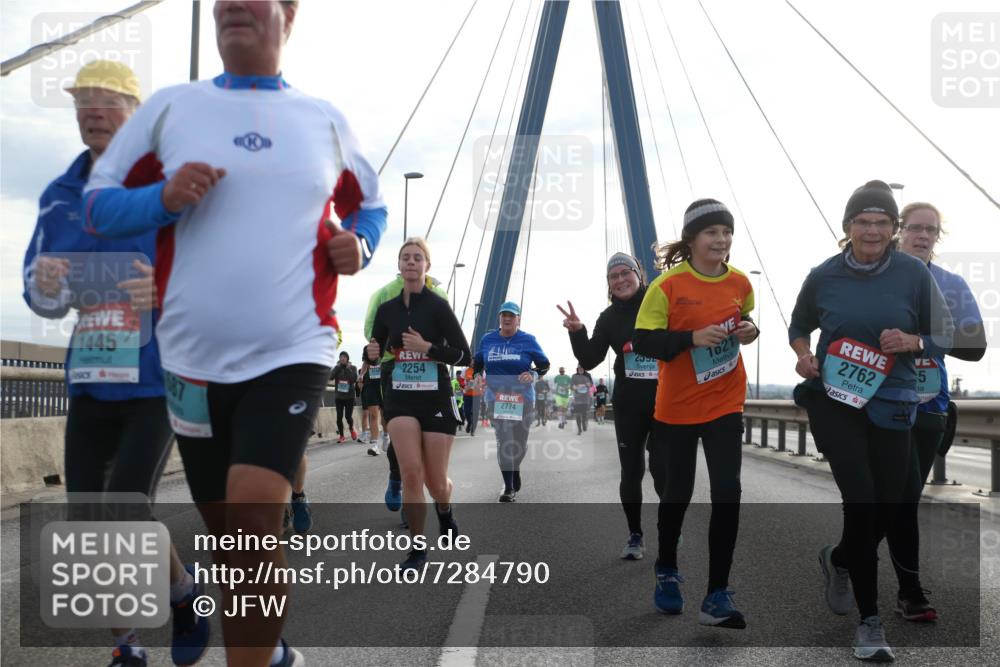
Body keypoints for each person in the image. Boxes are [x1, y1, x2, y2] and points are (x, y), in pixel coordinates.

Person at [83, 3, 387, 664]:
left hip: (293, 349)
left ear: (289, 15)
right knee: (228, 537)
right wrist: (161, 197)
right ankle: (273, 653)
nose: (232, 5)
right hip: (190, 364)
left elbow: (371, 201)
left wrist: (359, 243)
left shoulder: (323, 120)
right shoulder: (170, 110)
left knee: (251, 520)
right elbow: (99, 205)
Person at [22, 59, 208, 667]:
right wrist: (45, 284)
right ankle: (164, 610)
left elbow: (214, 276)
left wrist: (166, 285)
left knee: (125, 507)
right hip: (90, 377)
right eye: (82, 104)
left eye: (106, 102)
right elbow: (41, 298)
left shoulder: (168, 191)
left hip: (157, 375)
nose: (92, 113)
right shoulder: (58, 197)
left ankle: (155, 624)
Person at [789, 181, 952, 661]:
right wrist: (803, 356)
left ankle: (839, 559)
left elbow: (946, 333)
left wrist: (915, 342)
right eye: (863, 221)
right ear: (847, 227)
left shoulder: (913, 274)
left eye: (883, 222)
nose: (873, 230)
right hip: (836, 401)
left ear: (894, 229)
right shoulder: (823, 274)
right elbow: (800, 326)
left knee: (890, 505)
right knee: (861, 504)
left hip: (894, 404)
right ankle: (870, 623)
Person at [634, 199, 759, 629]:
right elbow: (644, 341)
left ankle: (716, 594)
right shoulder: (667, 286)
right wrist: (689, 338)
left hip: (726, 402)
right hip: (677, 408)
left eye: (726, 231)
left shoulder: (741, 282)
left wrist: (750, 330)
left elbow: (746, 320)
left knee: (729, 491)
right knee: (677, 494)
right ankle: (666, 569)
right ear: (691, 240)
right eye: (712, 233)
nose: (721, 240)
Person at [885, 202, 986, 622]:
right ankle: (896, 584)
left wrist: (921, 342)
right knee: (882, 498)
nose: (923, 236)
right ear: (898, 231)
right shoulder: (877, 277)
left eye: (931, 230)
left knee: (906, 498)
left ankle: (897, 586)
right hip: (879, 401)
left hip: (930, 404)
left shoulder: (952, 283)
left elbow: (976, 347)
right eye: (915, 228)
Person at [367, 238, 471, 569]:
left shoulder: (438, 307)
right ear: (399, 266)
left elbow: (463, 355)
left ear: (426, 266)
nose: (411, 263)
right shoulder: (387, 310)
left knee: (435, 482)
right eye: (405, 258)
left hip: (436, 397)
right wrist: (370, 354)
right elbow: (375, 350)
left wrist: (428, 348)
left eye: (417, 258)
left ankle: (445, 510)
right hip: (400, 397)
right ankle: (417, 550)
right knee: (411, 473)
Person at [559, 252, 663, 560]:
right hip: (630, 403)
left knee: (663, 470)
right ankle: (635, 535)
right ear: (608, 284)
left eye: (624, 273)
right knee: (631, 471)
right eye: (613, 277)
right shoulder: (608, 318)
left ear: (638, 274)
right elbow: (591, 358)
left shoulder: (661, 302)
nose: (620, 280)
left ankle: (670, 527)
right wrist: (577, 332)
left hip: (666, 401)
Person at [364, 269, 450, 511]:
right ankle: (396, 480)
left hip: (431, 371)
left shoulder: (439, 293)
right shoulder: (383, 294)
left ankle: (408, 493)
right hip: (396, 369)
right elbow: (371, 332)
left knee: (425, 436)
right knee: (402, 432)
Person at [474, 301, 550, 502]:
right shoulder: (487, 339)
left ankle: (514, 468)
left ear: (518, 319)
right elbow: (477, 364)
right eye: (503, 315)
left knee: (520, 443)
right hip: (496, 398)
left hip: (523, 398)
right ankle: (508, 488)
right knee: (505, 440)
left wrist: (532, 373)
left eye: (511, 315)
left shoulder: (528, 340)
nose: (507, 319)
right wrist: (477, 376)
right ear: (499, 318)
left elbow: (544, 365)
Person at [358, 344, 384, 456]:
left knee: (385, 415)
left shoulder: (384, 350)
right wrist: (361, 375)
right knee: (373, 415)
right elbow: (365, 363)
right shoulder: (367, 351)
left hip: (383, 385)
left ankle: (386, 436)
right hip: (371, 386)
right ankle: (375, 445)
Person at [331, 351, 358, 443]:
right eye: (341, 357)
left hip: (349, 397)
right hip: (339, 397)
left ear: (347, 359)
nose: (342, 358)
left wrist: (348, 369)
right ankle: (342, 436)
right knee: (339, 417)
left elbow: (354, 379)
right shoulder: (337, 368)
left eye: (344, 357)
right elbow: (330, 377)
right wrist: (337, 368)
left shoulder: (353, 367)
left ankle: (351, 429)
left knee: (348, 416)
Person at [462, 366, 482, 435]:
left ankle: (473, 429)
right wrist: (465, 386)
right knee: (467, 412)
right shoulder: (465, 370)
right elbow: (462, 381)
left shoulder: (480, 371)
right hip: (467, 395)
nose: (473, 362)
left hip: (476, 395)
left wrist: (476, 384)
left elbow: (482, 383)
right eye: (472, 360)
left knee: (475, 413)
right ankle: (469, 423)